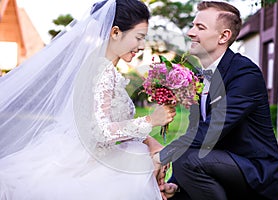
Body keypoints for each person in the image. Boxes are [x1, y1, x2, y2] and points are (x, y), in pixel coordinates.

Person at [0, 0, 175, 199]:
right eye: (138, 37)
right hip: (81, 163)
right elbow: (100, 131)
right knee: (138, 164)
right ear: (116, 32)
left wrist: (150, 142)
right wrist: (151, 120)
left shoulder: (101, 67)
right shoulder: (103, 72)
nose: (142, 46)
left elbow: (107, 124)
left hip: (84, 154)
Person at [153, 1, 278, 200]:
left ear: (224, 36)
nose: (191, 33)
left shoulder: (245, 73)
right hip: (219, 165)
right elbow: (196, 134)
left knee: (184, 157)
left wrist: (163, 155)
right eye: (193, 25)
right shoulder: (199, 77)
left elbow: (212, 129)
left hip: (256, 172)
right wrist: (175, 183)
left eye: (200, 27)